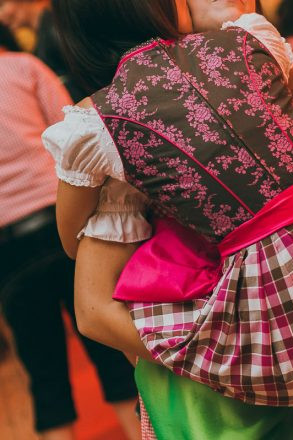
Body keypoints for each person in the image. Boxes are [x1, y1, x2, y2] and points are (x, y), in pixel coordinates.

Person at [45, 0, 293, 438]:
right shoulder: (250, 44)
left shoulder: (103, 124)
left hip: (265, 356)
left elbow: (76, 256)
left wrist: (197, 354)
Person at [0, 23, 141, 440]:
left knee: (43, 375)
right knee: (111, 354)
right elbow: (72, 136)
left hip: (7, 245)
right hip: (58, 221)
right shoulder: (24, 67)